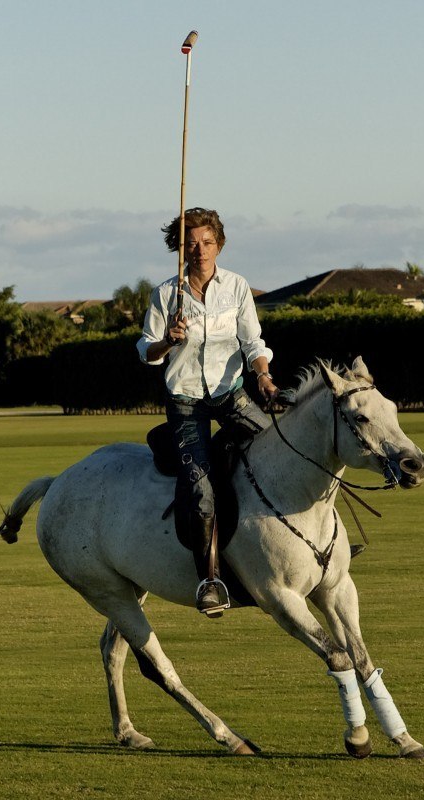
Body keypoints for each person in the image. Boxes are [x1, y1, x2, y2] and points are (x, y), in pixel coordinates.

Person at [138, 207, 279, 618]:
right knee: (200, 489)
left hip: (229, 394)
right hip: (185, 401)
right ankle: (209, 580)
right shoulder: (166, 294)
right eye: (191, 243)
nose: (199, 250)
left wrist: (265, 377)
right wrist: (168, 341)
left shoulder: (236, 287)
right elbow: (145, 351)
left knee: (283, 445)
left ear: (219, 244)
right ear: (179, 248)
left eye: (207, 242)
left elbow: (253, 342)